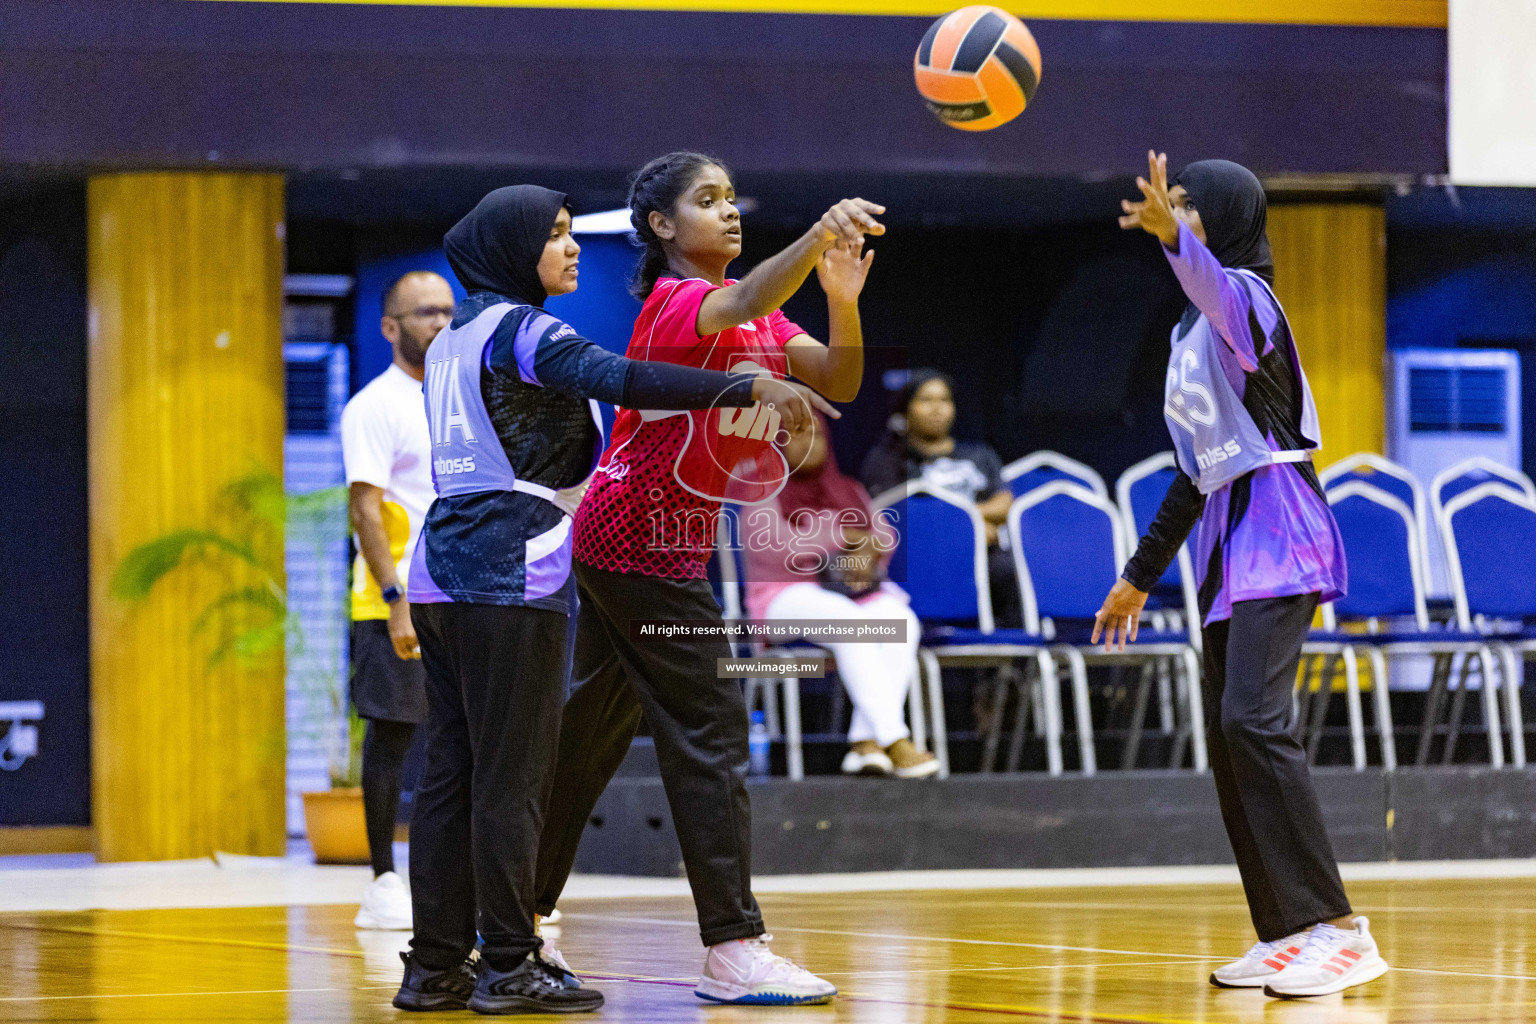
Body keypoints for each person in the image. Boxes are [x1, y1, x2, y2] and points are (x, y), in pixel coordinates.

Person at [393, 184, 834, 1015]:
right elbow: (621, 378)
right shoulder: (523, 328)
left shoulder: (452, 338)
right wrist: (742, 390)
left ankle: (435, 967)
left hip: (440, 568)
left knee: (452, 777)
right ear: (511, 249)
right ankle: (511, 964)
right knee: (511, 777)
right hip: (508, 563)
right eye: (555, 237)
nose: (571, 249)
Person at [532, 151, 881, 1007]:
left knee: (591, 733)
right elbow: (752, 294)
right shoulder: (678, 303)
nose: (729, 212)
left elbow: (839, 377)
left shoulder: (762, 321)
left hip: (657, 542)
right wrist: (817, 230)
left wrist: (841, 299)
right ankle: (733, 946)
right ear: (660, 225)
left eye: (732, 199)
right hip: (634, 537)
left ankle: (510, 913)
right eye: (707, 200)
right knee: (713, 721)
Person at [1093, 152, 1387, 999]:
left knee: (1255, 722)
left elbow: (1214, 287)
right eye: (1168, 202)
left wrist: (1177, 240)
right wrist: (1138, 576)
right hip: (1227, 534)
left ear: (1221, 219)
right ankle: (1288, 931)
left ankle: (1339, 929)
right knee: (1231, 738)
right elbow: (1194, 470)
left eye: (1187, 205)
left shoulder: (1245, 302)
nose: (1172, 212)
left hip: (1280, 524)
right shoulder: (1190, 338)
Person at [340, 270, 453, 931]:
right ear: (390, 327)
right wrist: (395, 596)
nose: (439, 323)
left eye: (446, 311)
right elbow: (365, 507)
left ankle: (459, 880)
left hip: (462, 595)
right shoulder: (373, 405)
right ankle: (384, 879)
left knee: (462, 737)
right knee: (393, 734)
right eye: (423, 313)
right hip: (394, 599)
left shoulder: (468, 398)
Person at [743, 414, 936, 778]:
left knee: (900, 621)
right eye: (797, 436)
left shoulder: (846, 487)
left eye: (816, 435)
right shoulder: (760, 487)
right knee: (851, 623)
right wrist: (846, 535)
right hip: (783, 597)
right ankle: (895, 739)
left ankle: (866, 744)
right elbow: (776, 548)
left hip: (849, 595)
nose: (808, 444)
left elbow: (884, 537)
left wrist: (869, 549)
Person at [858, 369, 1019, 626]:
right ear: (906, 409)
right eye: (926, 400)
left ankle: (1010, 658)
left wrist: (967, 526)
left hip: (984, 557)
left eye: (944, 400)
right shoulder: (887, 460)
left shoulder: (980, 455)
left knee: (1011, 569)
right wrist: (970, 529)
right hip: (920, 557)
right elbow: (892, 517)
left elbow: (1003, 504)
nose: (936, 408)